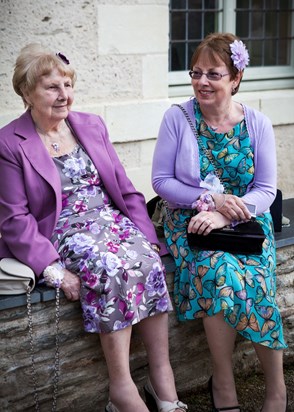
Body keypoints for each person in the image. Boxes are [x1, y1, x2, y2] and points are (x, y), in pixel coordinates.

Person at [0, 43, 188, 412]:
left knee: (148, 264)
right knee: (111, 268)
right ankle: (121, 389)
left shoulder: (90, 124)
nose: (64, 95)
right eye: (52, 87)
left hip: (109, 220)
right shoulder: (9, 142)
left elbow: (123, 186)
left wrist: (148, 239)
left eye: (67, 85)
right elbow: (13, 217)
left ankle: (161, 374)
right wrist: (51, 269)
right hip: (62, 229)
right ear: (26, 92)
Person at [152, 33, 287, 412]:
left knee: (257, 283)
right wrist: (208, 202)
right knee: (219, 273)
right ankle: (223, 381)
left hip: (246, 226)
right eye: (196, 72)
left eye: (213, 74)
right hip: (191, 224)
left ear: (235, 78)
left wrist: (227, 211)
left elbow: (265, 189)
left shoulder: (257, 123)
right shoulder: (178, 119)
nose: (202, 82)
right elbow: (162, 182)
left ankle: (276, 390)